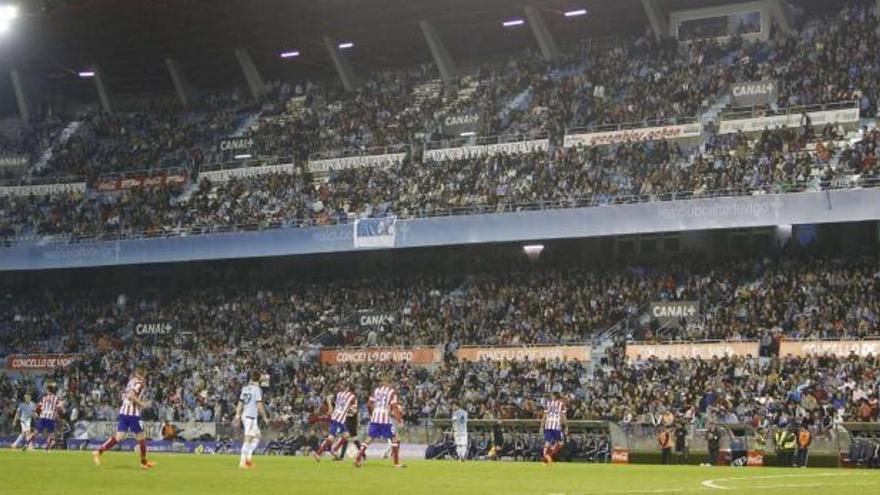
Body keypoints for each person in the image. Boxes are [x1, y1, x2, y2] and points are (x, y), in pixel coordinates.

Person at [92, 367, 156, 469]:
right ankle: (144, 462)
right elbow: (131, 395)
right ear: (144, 374)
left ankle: (98, 452)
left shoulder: (131, 381)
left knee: (118, 437)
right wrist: (142, 404)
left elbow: (128, 395)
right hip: (132, 415)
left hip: (124, 412)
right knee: (142, 438)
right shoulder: (139, 383)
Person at [354, 375, 405, 468]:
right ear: (389, 383)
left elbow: (369, 404)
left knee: (369, 438)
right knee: (394, 438)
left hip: (375, 416)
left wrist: (371, 413)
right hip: (385, 417)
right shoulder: (392, 392)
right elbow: (394, 406)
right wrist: (399, 419)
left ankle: (358, 457)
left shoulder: (376, 390)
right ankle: (396, 463)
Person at [234, 370, 270, 469]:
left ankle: (248, 458)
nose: (263, 377)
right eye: (261, 376)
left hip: (247, 416)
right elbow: (259, 405)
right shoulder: (257, 389)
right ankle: (242, 462)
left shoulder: (245, 388)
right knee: (248, 438)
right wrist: (265, 417)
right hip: (250, 416)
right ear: (258, 378)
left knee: (258, 436)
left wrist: (237, 416)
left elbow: (240, 404)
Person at [313, 382, 357, 461]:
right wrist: (349, 411)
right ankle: (318, 453)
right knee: (331, 437)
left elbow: (328, 398)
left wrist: (330, 408)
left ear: (348, 388)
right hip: (338, 419)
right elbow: (354, 411)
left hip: (339, 418)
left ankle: (334, 449)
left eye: (346, 387)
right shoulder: (353, 397)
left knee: (346, 435)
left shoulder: (339, 394)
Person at [541, 392, 567, 466]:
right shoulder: (561, 404)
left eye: (552, 395)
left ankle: (546, 457)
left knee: (547, 443)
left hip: (548, 425)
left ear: (555, 396)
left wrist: (541, 425)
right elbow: (563, 416)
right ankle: (548, 456)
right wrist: (566, 426)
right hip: (556, 426)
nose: (551, 396)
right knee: (560, 443)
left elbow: (545, 415)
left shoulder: (548, 403)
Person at [34, 384, 63, 451]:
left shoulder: (44, 397)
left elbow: (38, 407)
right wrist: (57, 413)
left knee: (42, 431)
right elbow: (60, 407)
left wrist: (37, 412)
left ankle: (49, 445)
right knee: (51, 432)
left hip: (44, 416)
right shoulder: (56, 398)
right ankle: (50, 444)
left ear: (47, 390)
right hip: (52, 417)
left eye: (46, 390)